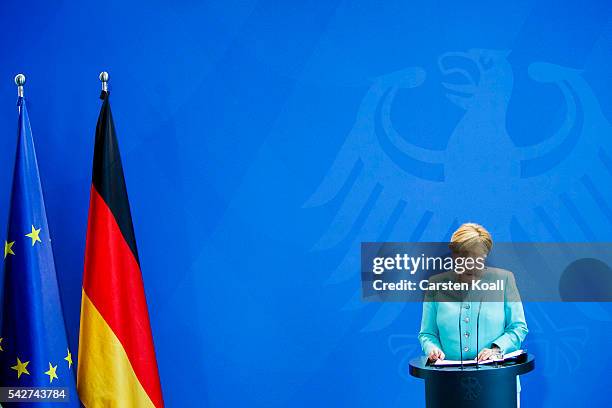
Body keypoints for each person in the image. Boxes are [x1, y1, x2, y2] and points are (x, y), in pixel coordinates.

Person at [418, 223, 528, 406]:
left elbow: (518, 327)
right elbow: (427, 333)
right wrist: (432, 349)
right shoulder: (435, 284)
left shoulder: (505, 280)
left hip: (498, 386)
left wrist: (496, 349)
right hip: (447, 386)